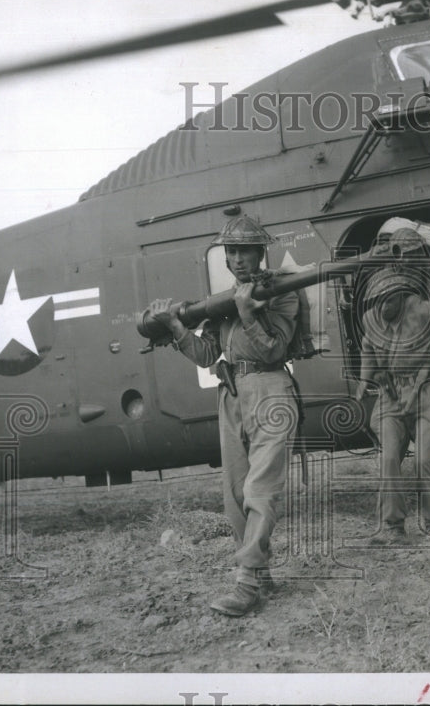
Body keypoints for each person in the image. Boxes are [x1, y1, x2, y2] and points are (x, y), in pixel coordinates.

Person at [148, 215, 299, 618]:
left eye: (245, 251)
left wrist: (248, 312)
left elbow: (273, 351)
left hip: (270, 392)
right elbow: (205, 354)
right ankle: (261, 573)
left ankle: (247, 582)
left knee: (260, 491)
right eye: (231, 252)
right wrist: (177, 327)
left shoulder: (282, 291)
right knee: (234, 496)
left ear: (259, 253)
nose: (237, 259)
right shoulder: (223, 299)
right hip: (231, 394)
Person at [354, 267, 430, 544]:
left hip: (427, 392)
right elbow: (367, 347)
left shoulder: (424, 310)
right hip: (390, 396)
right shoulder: (371, 318)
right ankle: (393, 528)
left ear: (401, 296)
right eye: (376, 301)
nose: (382, 307)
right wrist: (363, 381)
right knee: (389, 459)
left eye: (388, 300)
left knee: (426, 459)